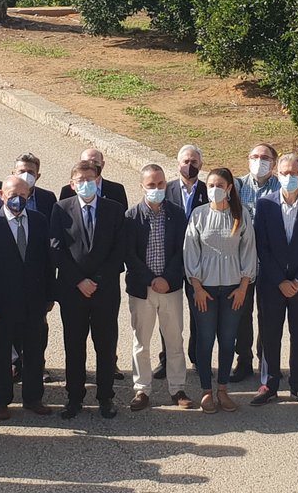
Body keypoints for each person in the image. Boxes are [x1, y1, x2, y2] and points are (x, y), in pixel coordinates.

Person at [0, 174, 55, 420]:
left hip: (33, 303)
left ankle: (33, 398)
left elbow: (47, 263)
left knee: (33, 353)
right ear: (1, 195)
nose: (17, 200)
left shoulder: (40, 222)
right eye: (12, 196)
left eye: (22, 195)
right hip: (0, 306)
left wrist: (49, 296)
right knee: (0, 356)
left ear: (28, 195)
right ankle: (0, 400)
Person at [52, 161, 126, 419]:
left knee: (105, 346)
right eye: (80, 180)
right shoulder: (61, 209)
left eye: (90, 178)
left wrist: (97, 280)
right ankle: (74, 398)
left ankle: (106, 397)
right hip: (73, 292)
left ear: (98, 180)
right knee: (74, 346)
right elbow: (56, 249)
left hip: (105, 291)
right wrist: (78, 281)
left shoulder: (114, 210)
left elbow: (119, 250)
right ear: (72, 185)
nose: (86, 184)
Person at [252, 154, 298, 406]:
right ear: (276, 174)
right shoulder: (265, 205)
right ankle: (269, 383)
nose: (289, 177)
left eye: (294, 173)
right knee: (270, 333)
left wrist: (297, 280)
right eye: (284, 173)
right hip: (271, 283)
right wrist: (280, 280)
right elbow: (262, 248)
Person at [184, 167, 257, 414]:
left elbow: (249, 252)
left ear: (229, 188)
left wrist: (243, 287)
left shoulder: (241, 215)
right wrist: (197, 287)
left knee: (227, 341)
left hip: (232, 290)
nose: (214, 189)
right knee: (205, 341)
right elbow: (190, 252)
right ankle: (206, 391)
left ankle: (223, 390)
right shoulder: (198, 214)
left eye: (219, 185)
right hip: (204, 290)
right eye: (210, 185)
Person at [124, 164, 193, 411]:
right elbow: (129, 255)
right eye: (151, 185)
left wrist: (166, 278)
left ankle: (178, 389)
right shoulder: (131, 217)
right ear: (142, 186)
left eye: (160, 184)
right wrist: (151, 279)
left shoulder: (177, 214)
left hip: (171, 288)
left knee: (174, 340)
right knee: (141, 342)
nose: (156, 189)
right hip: (143, 290)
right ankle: (142, 390)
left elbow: (181, 251)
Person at [230, 143, 280, 382]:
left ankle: (267, 360)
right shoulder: (236, 187)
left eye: (265, 157)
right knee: (242, 314)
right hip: (243, 264)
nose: (259, 161)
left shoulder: (281, 187)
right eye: (255, 156)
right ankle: (244, 360)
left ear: (274, 163)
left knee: (269, 314)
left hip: (272, 263)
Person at [163, 144, 209, 374]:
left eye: (193, 162)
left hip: (199, 262)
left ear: (201, 164)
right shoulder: (166, 189)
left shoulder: (208, 190)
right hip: (171, 260)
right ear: (178, 163)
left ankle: (199, 358)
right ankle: (167, 359)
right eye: (185, 162)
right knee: (169, 314)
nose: (189, 166)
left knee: (199, 312)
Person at [58, 148, 129, 207]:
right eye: (86, 162)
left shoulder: (116, 190)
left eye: (95, 162)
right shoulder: (67, 192)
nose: (91, 166)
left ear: (102, 164)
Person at [0, 152, 58, 217]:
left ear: (37, 176)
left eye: (30, 172)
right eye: (22, 171)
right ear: (14, 174)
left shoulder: (48, 198)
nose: (26, 175)